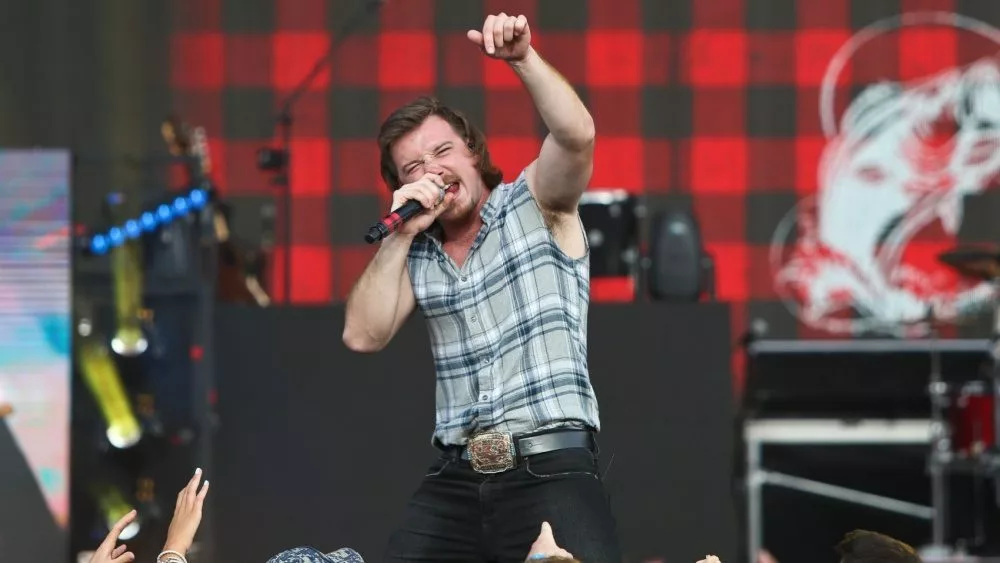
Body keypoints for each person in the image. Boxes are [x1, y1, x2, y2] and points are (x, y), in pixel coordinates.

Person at [343, 11, 620, 563]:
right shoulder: (415, 251)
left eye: (443, 152)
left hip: (550, 466)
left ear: (472, 151)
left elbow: (576, 134)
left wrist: (522, 60)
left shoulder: (533, 201)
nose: (434, 170)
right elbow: (361, 335)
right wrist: (400, 235)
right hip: (456, 476)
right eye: (413, 166)